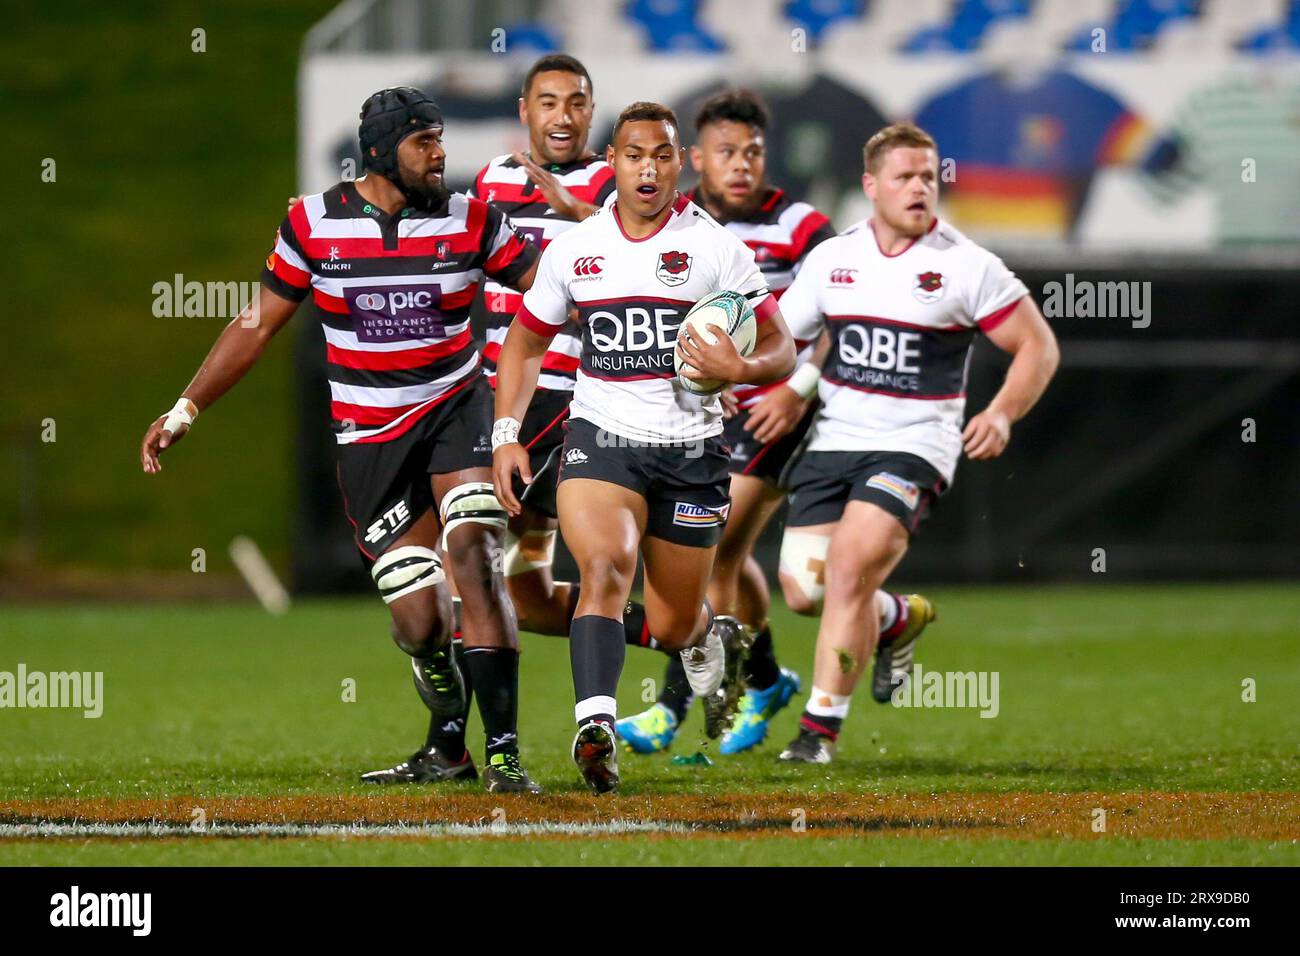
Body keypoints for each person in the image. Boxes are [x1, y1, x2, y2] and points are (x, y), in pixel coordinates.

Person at [140, 88, 544, 793]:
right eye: (425, 142)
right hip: (371, 439)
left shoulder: (474, 219)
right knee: (419, 621)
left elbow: (549, 296)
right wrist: (185, 409)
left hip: (458, 411)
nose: (441, 154)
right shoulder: (313, 222)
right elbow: (255, 326)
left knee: (476, 555)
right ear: (382, 151)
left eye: (441, 137)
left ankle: (506, 757)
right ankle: (448, 743)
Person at [617, 90, 936, 756]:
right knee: (740, 563)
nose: (742, 165)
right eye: (727, 153)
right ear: (696, 158)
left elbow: (845, 311)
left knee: (708, 544)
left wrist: (795, 388)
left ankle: (672, 709)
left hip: (775, 412)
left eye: (753, 153)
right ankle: (767, 680)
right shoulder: (676, 224)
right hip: (704, 410)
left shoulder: (799, 224)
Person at [492, 102, 797, 793]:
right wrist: (506, 434)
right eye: (634, 155)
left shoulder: (715, 246)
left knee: (673, 619)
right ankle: (595, 727)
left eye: (661, 154)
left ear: (678, 161)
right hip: (602, 442)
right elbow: (525, 342)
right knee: (602, 567)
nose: (648, 168)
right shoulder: (577, 248)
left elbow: (781, 344)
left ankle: (704, 643)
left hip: (692, 454)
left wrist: (741, 370)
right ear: (613, 162)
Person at [775, 122, 1059, 763]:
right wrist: (755, 378)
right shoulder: (833, 259)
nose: (920, 188)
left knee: (847, 572)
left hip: (914, 445)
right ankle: (896, 618)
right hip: (833, 441)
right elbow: (782, 339)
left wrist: (1004, 413)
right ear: (870, 186)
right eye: (904, 176)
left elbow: (1037, 345)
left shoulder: (966, 265)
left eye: (929, 177)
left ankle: (817, 733)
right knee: (803, 591)